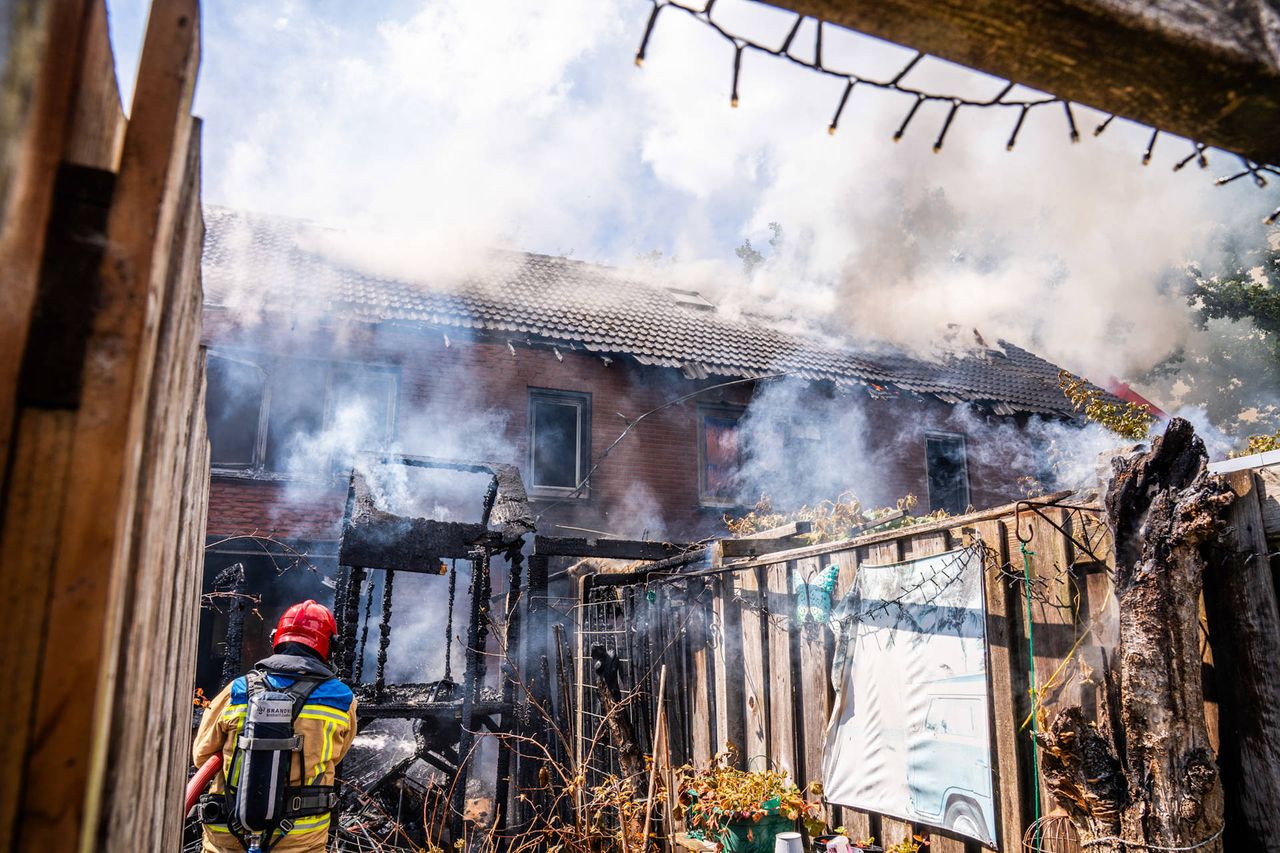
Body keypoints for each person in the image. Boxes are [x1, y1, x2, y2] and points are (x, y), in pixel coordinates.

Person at [192, 600, 357, 852]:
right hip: (299, 839)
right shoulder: (343, 700)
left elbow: (201, 756)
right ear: (330, 647)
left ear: (276, 639)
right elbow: (338, 755)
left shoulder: (237, 690)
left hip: (228, 834)